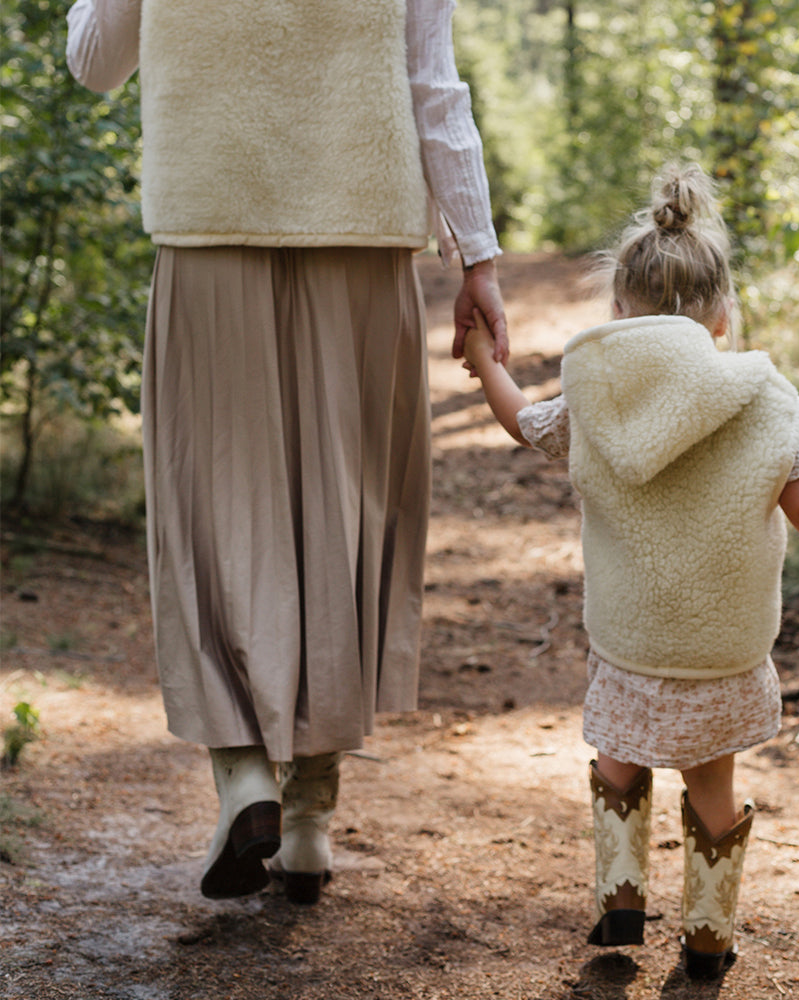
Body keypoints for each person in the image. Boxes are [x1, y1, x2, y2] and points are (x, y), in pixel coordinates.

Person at [66, 0, 508, 906]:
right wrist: (478, 256)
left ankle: (245, 779)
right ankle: (309, 817)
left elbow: (95, 63)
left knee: (211, 510)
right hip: (362, 230)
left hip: (208, 225)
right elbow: (434, 83)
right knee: (341, 511)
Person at [462, 162, 799, 979]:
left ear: (617, 310)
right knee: (713, 785)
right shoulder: (758, 395)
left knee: (620, 757)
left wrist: (484, 359)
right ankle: (709, 938)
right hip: (718, 643)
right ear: (721, 315)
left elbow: (522, 422)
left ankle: (620, 894)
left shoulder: (595, 399)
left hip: (631, 637)